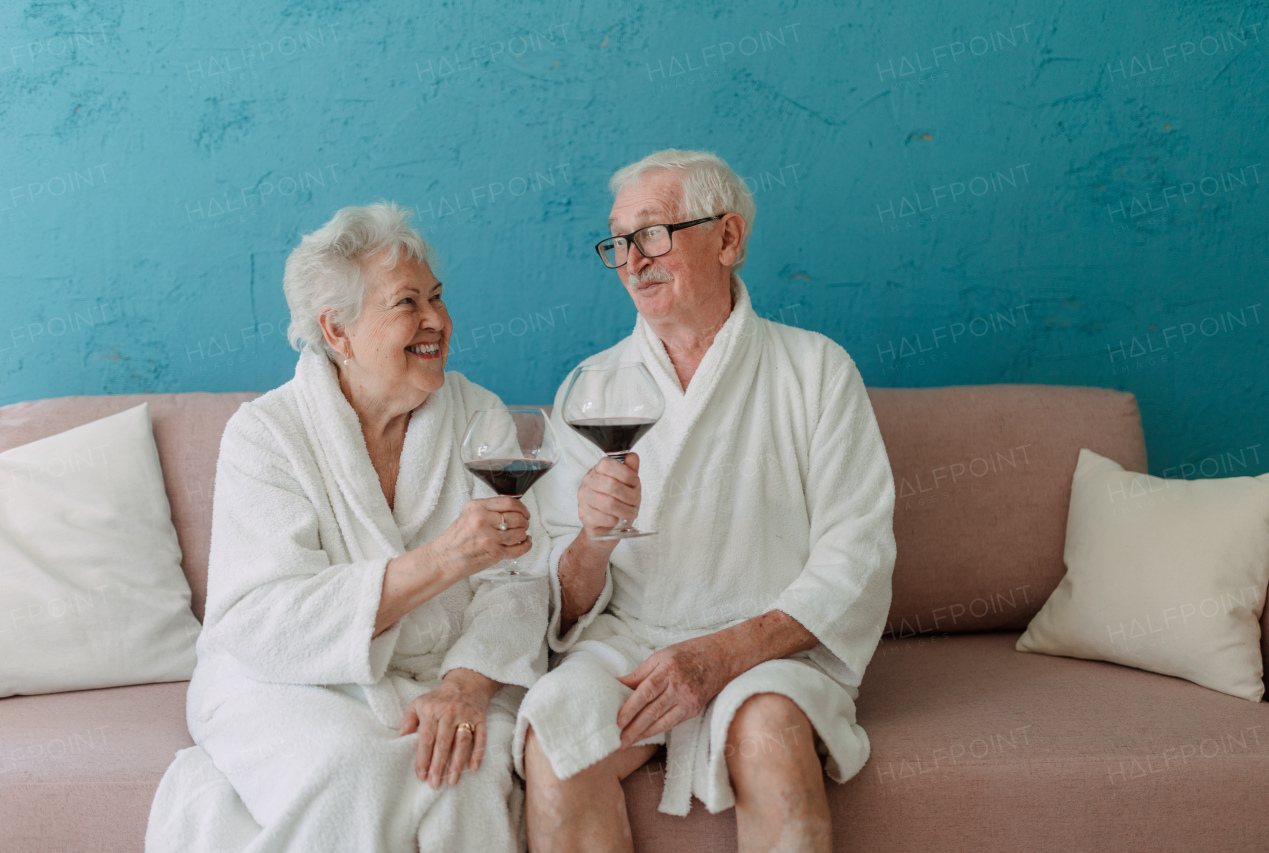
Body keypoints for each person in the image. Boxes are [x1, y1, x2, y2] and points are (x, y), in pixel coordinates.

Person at [516, 151, 896, 853]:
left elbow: (858, 557)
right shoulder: (590, 387)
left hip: (772, 644)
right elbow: (563, 599)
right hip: (630, 642)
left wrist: (721, 654)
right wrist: (593, 538)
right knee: (553, 728)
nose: (633, 260)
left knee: (771, 733)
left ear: (728, 239)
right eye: (619, 242)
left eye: (654, 233)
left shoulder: (816, 371)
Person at [145, 203, 550, 853]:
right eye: (408, 303)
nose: (437, 321)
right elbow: (264, 615)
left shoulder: (478, 416)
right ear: (338, 331)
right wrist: (444, 559)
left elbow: (522, 578)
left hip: (443, 677)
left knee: (468, 779)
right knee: (354, 770)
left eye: (438, 298)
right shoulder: (267, 434)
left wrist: (466, 684)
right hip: (281, 679)